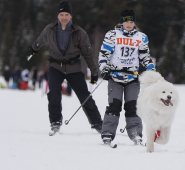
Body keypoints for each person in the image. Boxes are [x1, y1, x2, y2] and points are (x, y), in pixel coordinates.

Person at [28, 1, 102, 134]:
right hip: (55, 66)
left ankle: (97, 123)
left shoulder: (79, 32)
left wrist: (94, 71)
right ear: (58, 16)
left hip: (74, 68)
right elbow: (40, 41)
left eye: (66, 14)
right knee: (54, 93)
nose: (64, 17)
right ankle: (55, 122)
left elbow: (88, 54)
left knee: (84, 95)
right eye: (61, 14)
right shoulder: (50, 29)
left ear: (71, 16)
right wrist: (34, 49)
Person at [98, 9, 155, 144]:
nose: (129, 24)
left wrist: (151, 69)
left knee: (132, 106)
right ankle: (107, 133)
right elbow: (104, 54)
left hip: (132, 78)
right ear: (121, 22)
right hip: (115, 76)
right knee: (114, 106)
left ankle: (136, 134)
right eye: (126, 21)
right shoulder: (112, 35)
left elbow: (145, 56)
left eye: (131, 21)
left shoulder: (141, 37)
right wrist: (104, 68)